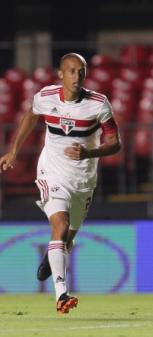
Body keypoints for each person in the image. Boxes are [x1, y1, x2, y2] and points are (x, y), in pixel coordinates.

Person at [0, 53, 122, 314]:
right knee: (61, 224)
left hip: (84, 178)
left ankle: (52, 253)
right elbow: (31, 117)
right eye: (71, 71)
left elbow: (115, 144)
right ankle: (61, 294)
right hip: (51, 172)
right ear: (60, 74)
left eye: (81, 71)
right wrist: (14, 151)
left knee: (67, 236)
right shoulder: (45, 97)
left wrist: (89, 153)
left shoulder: (98, 104)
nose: (76, 76)